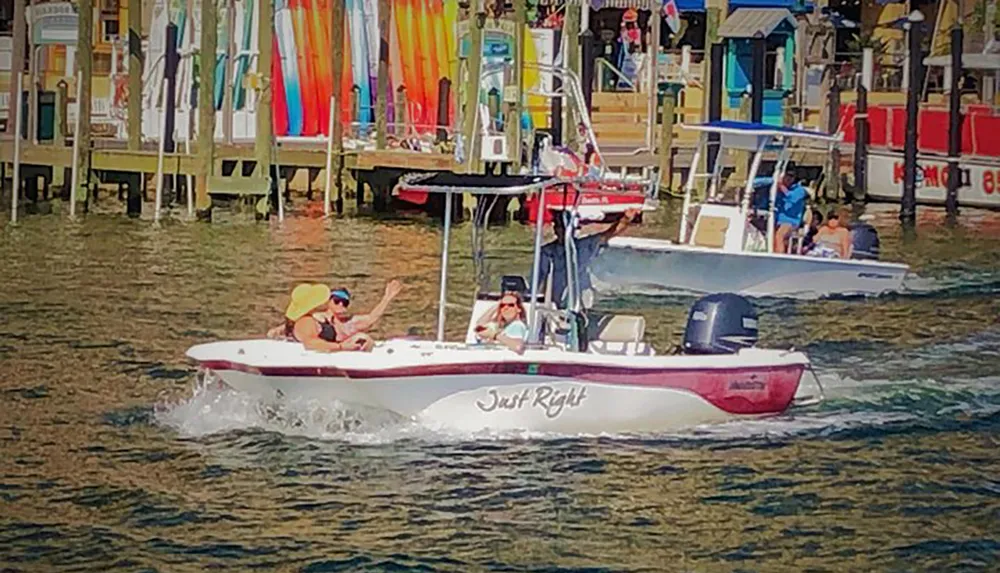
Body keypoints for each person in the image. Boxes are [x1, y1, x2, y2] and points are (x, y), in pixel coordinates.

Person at [535, 207, 640, 309]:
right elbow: (538, 282)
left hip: (581, 306)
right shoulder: (546, 251)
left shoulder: (584, 245)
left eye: (565, 227)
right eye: (559, 227)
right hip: (556, 305)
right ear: (555, 229)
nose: (562, 231)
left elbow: (609, 233)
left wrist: (626, 219)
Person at [272, 283, 376, 352]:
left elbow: (369, 319)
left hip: (330, 349)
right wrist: (341, 347)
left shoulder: (308, 319)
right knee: (362, 338)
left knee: (363, 338)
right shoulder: (305, 321)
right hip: (322, 354)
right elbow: (310, 343)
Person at [771, 169, 809, 254]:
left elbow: (790, 197)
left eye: (791, 176)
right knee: (770, 236)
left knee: (779, 236)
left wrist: (781, 186)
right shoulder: (777, 188)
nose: (789, 178)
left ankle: (779, 259)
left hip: (791, 221)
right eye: (787, 175)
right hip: (776, 220)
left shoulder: (800, 190)